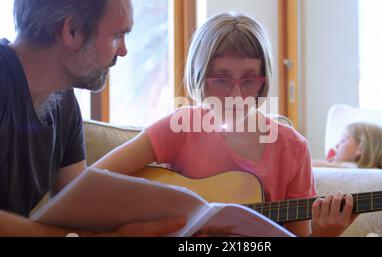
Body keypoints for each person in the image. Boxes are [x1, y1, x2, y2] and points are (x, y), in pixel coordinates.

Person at [93, 12, 357, 237]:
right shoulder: (182, 126)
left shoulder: (293, 149)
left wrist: (324, 234)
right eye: (221, 80)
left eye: (249, 80)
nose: (235, 95)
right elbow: (90, 182)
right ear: (200, 77)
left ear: (264, 81)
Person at [0, 0, 185, 236]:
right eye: (117, 36)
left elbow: (77, 207)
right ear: (72, 31)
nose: (124, 51)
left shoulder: (64, 102)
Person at [313, 122, 382, 169]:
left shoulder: (351, 167)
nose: (336, 145)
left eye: (343, 140)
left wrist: (330, 164)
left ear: (361, 148)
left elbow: (309, 165)